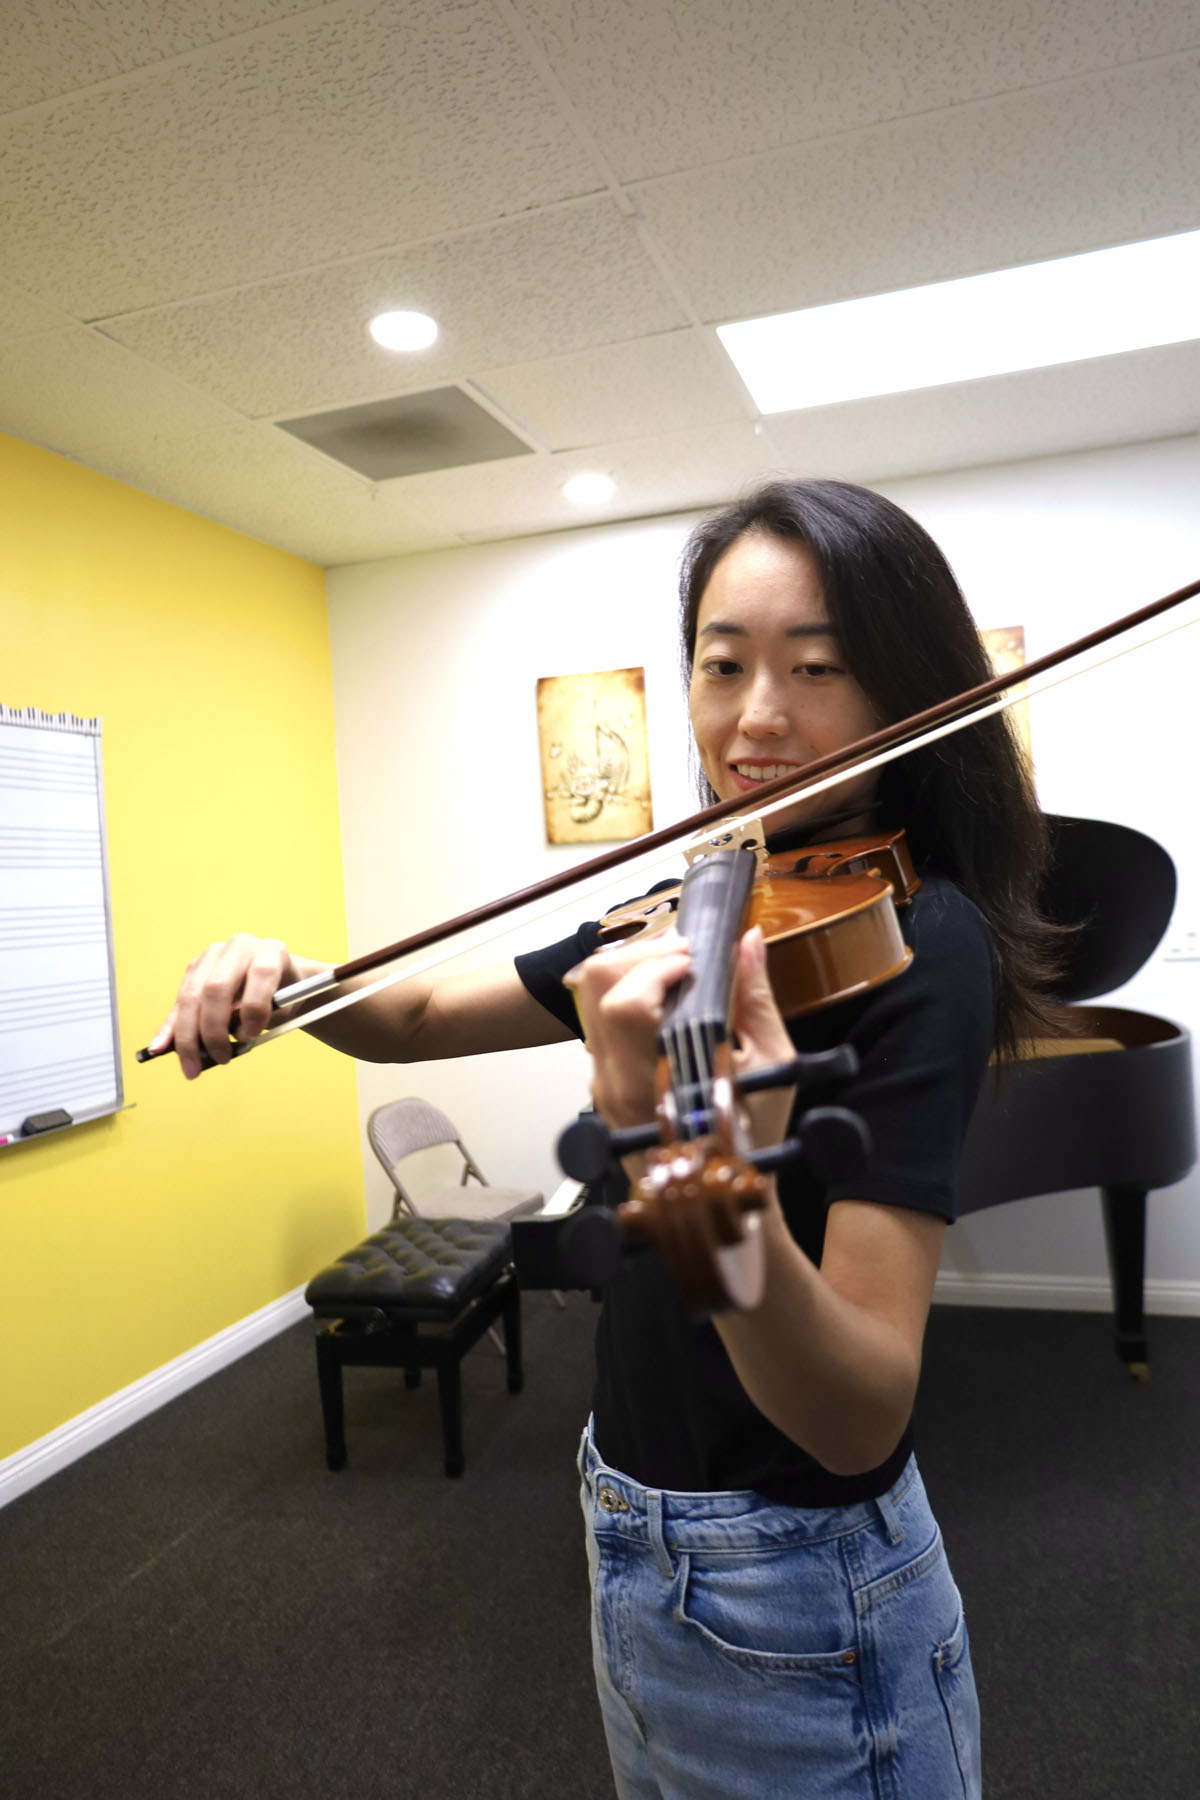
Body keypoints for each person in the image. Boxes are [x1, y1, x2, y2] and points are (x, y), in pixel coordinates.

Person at [153, 478, 1057, 1799]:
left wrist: (699, 1171)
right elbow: (406, 1013)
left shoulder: (922, 943)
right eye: (722, 663)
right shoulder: (691, 894)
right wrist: (285, 980)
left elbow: (862, 1413)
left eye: (818, 667)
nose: (756, 718)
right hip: (631, 1523)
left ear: (903, 694)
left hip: (799, 1583)